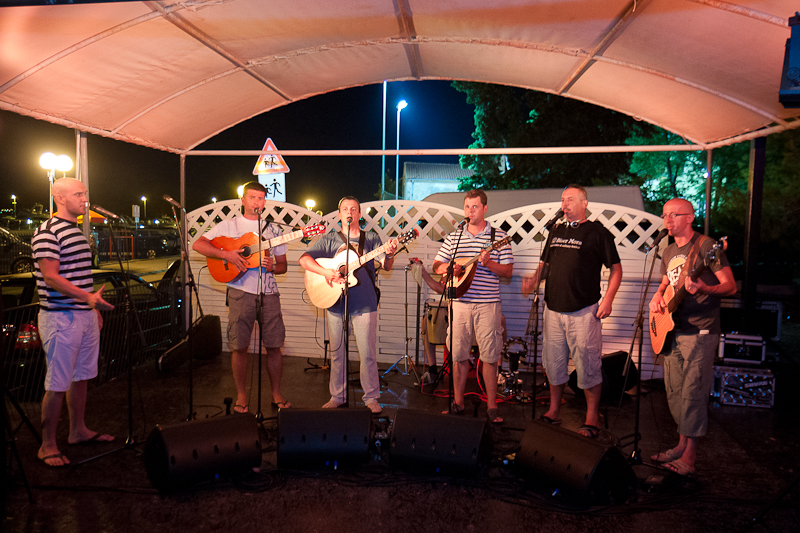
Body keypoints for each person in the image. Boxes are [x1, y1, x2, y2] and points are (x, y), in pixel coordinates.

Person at [522, 185, 622, 438]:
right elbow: (546, 265)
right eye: (562, 200)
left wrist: (608, 300)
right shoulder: (556, 230)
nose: (564, 204)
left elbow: (616, 269)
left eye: (570, 200)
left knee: (588, 365)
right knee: (554, 364)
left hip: (584, 311)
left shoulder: (598, 232)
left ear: (584, 203)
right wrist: (534, 280)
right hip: (553, 309)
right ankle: (554, 410)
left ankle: (591, 417)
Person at [648, 198, 736, 476]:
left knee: (693, 393)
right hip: (673, 329)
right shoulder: (668, 250)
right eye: (665, 215)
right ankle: (680, 445)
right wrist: (656, 297)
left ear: (690, 217)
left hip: (700, 329)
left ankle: (689, 458)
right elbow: (666, 283)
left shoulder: (707, 246)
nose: (668, 220)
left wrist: (704, 289)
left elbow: (730, 286)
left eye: (674, 215)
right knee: (674, 392)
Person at [31, 178, 115, 468]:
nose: (85, 199)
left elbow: (79, 274)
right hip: (60, 317)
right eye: (78, 194)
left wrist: (91, 309)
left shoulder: (76, 231)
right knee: (58, 382)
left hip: (83, 315)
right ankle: (47, 445)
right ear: (60, 198)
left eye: (85, 194)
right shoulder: (47, 231)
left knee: (81, 376)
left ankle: (77, 431)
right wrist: (88, 299)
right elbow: (51, 277)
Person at [192, 181, 290, 413]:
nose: (257, 202)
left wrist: (272, 267)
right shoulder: (229, 225)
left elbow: (283, 266)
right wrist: (227, 255)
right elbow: (197, 244)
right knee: (240, 346)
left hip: (269, 293)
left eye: (261, 198)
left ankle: (276, 393)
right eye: (253, 197)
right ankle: (242, 396)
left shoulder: (273, 230)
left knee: (274, 346)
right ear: (243, 200)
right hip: (239, 292)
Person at [299, 197, 398, 414]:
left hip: (365, 303)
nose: (349, 212)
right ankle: (337, 396)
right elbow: (304, 260)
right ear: (339, 214)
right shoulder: (330, 239)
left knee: (368, 354)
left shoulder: (371, 238)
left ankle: (371, 398)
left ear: (359, 214)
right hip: (336, 303)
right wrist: (326, 273)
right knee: (337, 353)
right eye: (345, 209)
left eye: (353, 209)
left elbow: (386, 265)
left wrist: (390, 253)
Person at [433, 189, 513, 424]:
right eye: (467, 207)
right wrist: (451, 267)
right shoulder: (455, 237)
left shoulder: (499, 237)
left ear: (485, 208)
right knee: (458, 354)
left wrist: (489, 264)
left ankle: (492, 406)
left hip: (488, 304)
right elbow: (437, 265)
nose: (470, 211)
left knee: (489, 355)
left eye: (475, 207)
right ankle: (458, 403)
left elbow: (508, 271)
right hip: (459, 304)